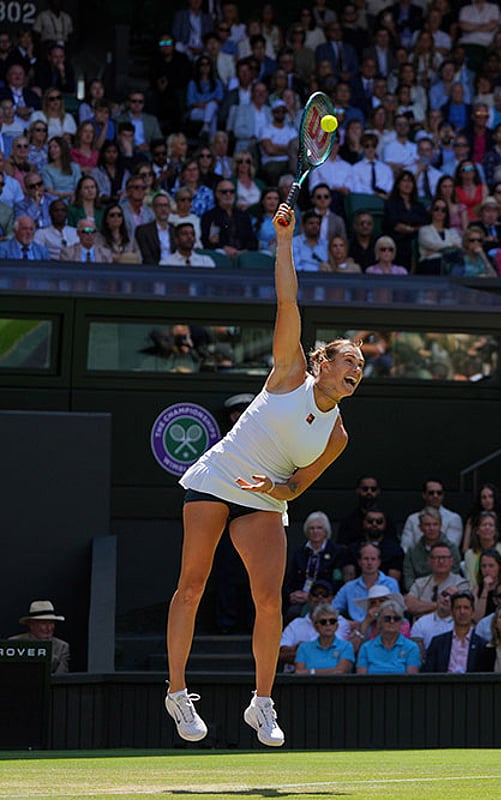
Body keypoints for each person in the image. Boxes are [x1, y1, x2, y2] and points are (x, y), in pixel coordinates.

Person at [166, 204, 362, 748]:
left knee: (270, 600)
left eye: (361, 369)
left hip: (263, 495)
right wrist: (284, 240)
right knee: (192, 586)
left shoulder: (338, 435)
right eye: (348, 361)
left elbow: (297, 486)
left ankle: (263, 703)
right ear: (323, 363)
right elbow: (287, 298)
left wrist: (271, 489)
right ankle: (178, 694)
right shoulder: (291, 368)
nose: (355, 371)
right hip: (218, 476)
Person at [421, 592, 488, 673]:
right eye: (458, 608)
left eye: (466, 608)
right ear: (452, 612)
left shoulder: (482, 645)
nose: (462, 612)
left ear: (473, 613)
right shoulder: (437, 642)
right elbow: (428, 673)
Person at [354, 599, 421, 674]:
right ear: (379, 622)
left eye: (396, 619)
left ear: (401, 623)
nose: (392, 622)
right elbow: (361, 680)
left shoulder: (411, 647)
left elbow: (412, 681)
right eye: (387, 618)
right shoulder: (366, 648)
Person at [293, 603, 354, 675]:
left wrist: (311, 672)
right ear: (315, 627)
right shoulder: (303, 648)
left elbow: (340, 671)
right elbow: (299, 672)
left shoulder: (346, 646)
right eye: (323, 622)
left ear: (337, 626)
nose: (328, 624)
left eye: (332, 621)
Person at [10, 600, 70, 673]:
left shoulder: (61, 647)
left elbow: (60, 678)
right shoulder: (15, 644)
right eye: (44, 623)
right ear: (31, 625)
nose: (49, 628)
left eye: (51, 623)